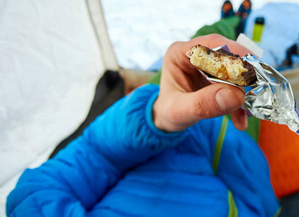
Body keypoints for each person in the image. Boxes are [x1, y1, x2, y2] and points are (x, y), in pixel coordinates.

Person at [6, 34, 280, 216]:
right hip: (249, 158)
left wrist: (155, 118)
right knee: (255, 94)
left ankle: (230, 22)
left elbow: (40, 188)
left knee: (213, 44)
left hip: (158, 129)